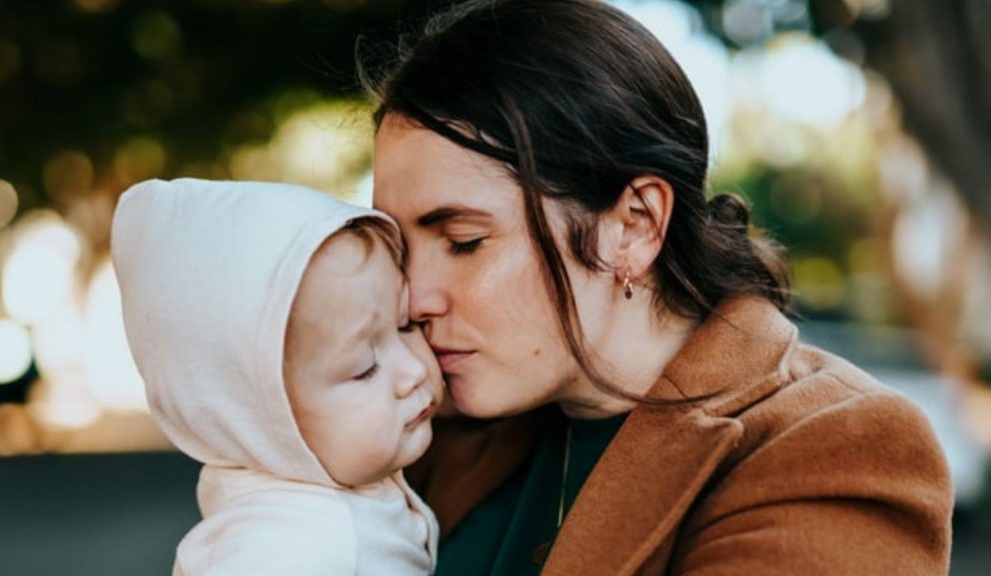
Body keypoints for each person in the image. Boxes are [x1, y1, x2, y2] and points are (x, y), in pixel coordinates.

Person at [364, 0, 954, 574]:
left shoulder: (834, 447)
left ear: (634, 226)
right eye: (402, 251)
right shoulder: (424, 420)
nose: (414, 299)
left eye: (465, 241)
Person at [111, 178, 442, 575]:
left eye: (406, 324)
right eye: (364, 366)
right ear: (258, 417)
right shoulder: (292, 550)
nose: (415, 369)